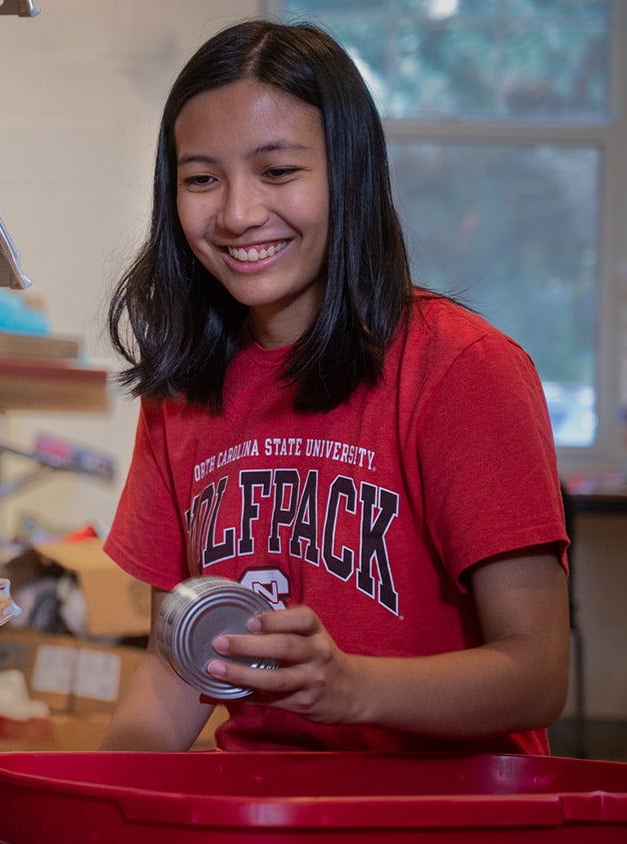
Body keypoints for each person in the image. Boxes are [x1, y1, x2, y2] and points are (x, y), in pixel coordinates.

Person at [99, 18, 570, 754]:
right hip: (262, 813)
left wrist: (351, 688)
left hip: (446, 818)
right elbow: (175, 666)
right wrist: (102, 809)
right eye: (201, 179)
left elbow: (536, 672)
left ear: (348, 174)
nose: (237, 213)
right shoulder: (180, 389)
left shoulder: (462, 368)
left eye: (278, 171)